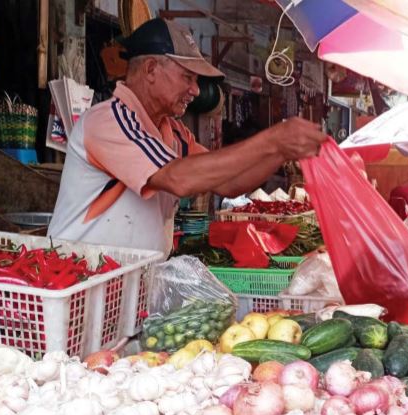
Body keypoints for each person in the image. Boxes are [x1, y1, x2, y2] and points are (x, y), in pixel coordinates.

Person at [47, 19, 326, 255]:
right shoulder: (109, 120)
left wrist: (281, 152)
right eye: (187, 77)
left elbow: (229, 183)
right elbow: (176, 178)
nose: (194, 90)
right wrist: (273, 139)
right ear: (151, 70)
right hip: (80, 278)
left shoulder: (175, 132)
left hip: (128, 284)